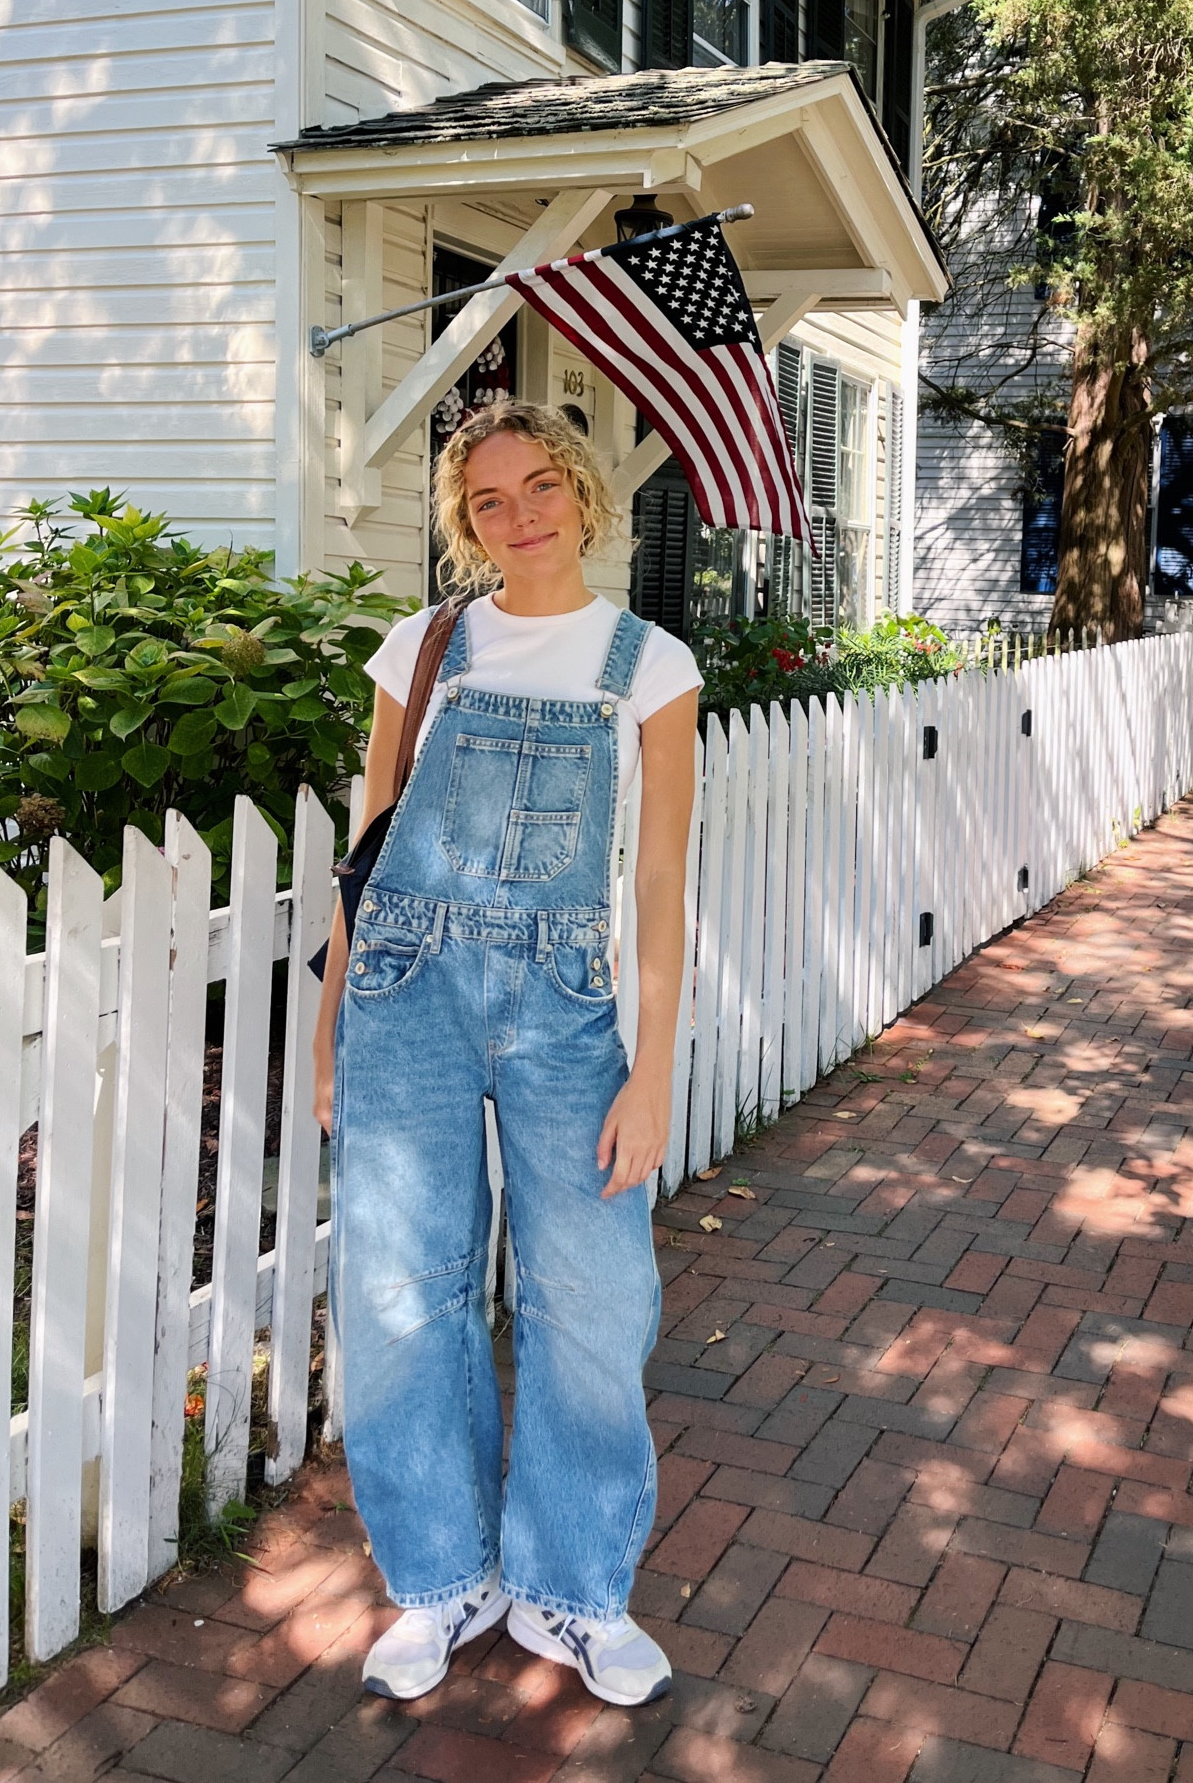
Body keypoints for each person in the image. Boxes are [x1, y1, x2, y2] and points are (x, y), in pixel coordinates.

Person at [311, 401, 700, 1707]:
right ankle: (438, 1581)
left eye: (539, 487)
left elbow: (657, 881)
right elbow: (362, 861)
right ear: (464, 525)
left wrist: (650, 1071)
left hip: (564, 1005)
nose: (518, 515)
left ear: (584, 496)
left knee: (589, 1301)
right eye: (487, 501)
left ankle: (573, 1594)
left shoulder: (646, 665)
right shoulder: (422, 648)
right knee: (402, 1295)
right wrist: (327, 1036)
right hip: (404, 992)